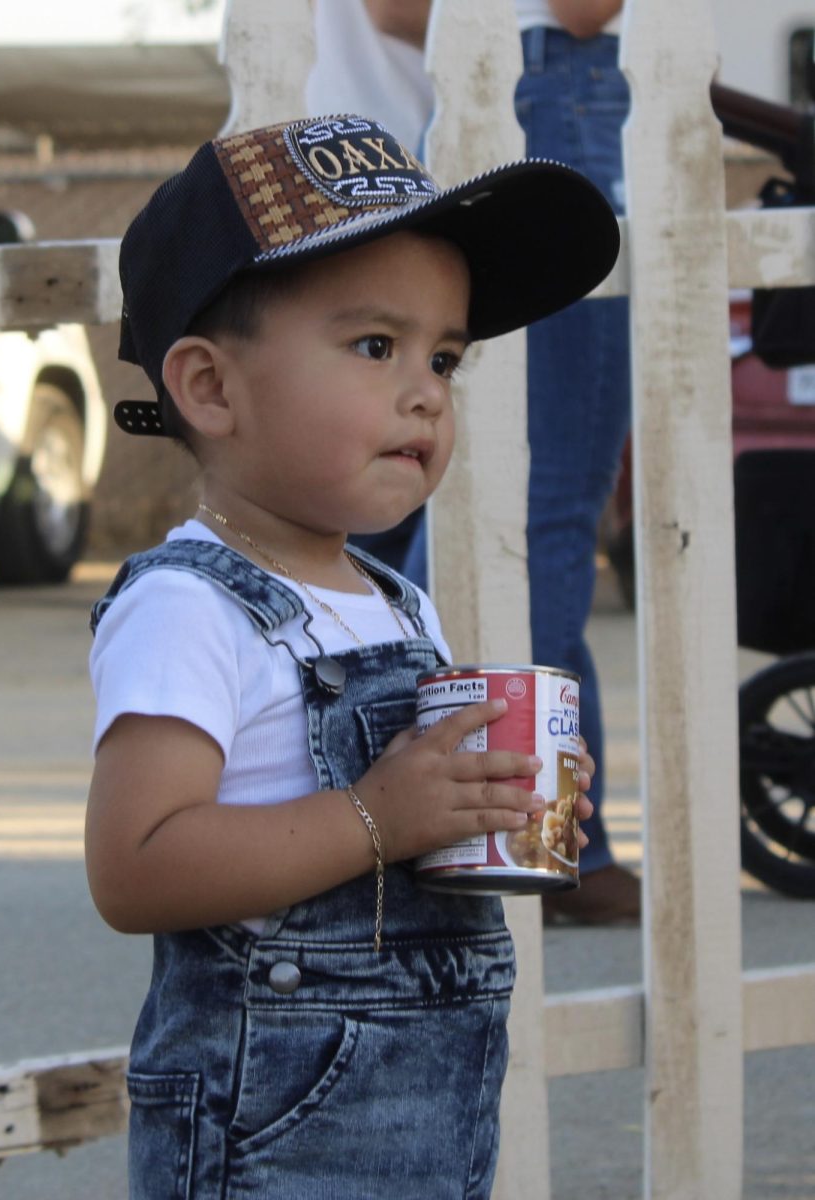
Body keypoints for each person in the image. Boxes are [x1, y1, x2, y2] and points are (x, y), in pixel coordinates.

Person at [85, 114, 616, 1197]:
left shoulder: (391, 599)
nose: (424, 390)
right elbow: (134, 864)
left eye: (444, 357)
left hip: (426, 1109)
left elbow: (406, 823)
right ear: (209, 388)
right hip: (273, 1133)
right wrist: (379, 816)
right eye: (375, 347)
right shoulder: (190, 606)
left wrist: (485, 801)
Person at [308, 0, 640, 925]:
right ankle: (494, 825)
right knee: (531, 520)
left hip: (365, 156)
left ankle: (527, 824)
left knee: (434, 528)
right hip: (517, 103)